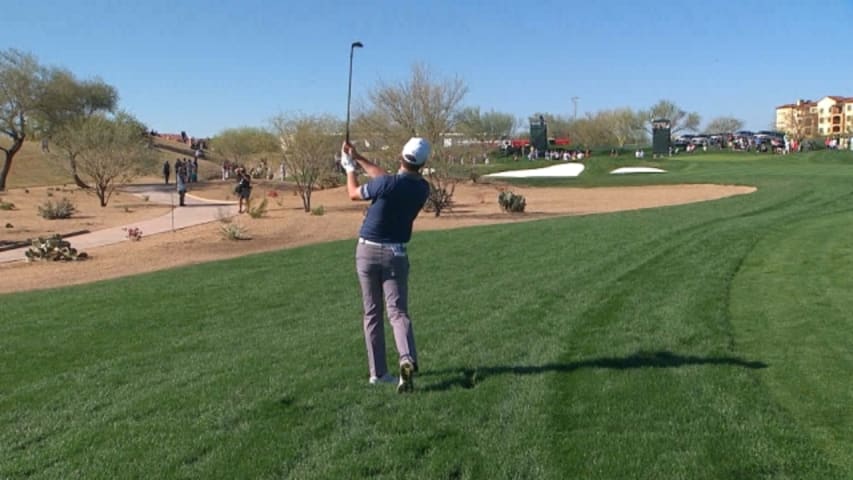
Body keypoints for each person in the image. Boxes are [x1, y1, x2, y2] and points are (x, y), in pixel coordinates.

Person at [341, 137, 431, 393]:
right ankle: (406, 360)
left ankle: (378, 373)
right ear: (423, 163)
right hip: (396, 255)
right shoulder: (422, 189)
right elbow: (385, 179)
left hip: (367, 252)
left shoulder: (386, 184)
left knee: (372, 313)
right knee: (398, 313)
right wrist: (357, 157)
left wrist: (349, 168)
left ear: (400, 156)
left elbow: (353, 194)